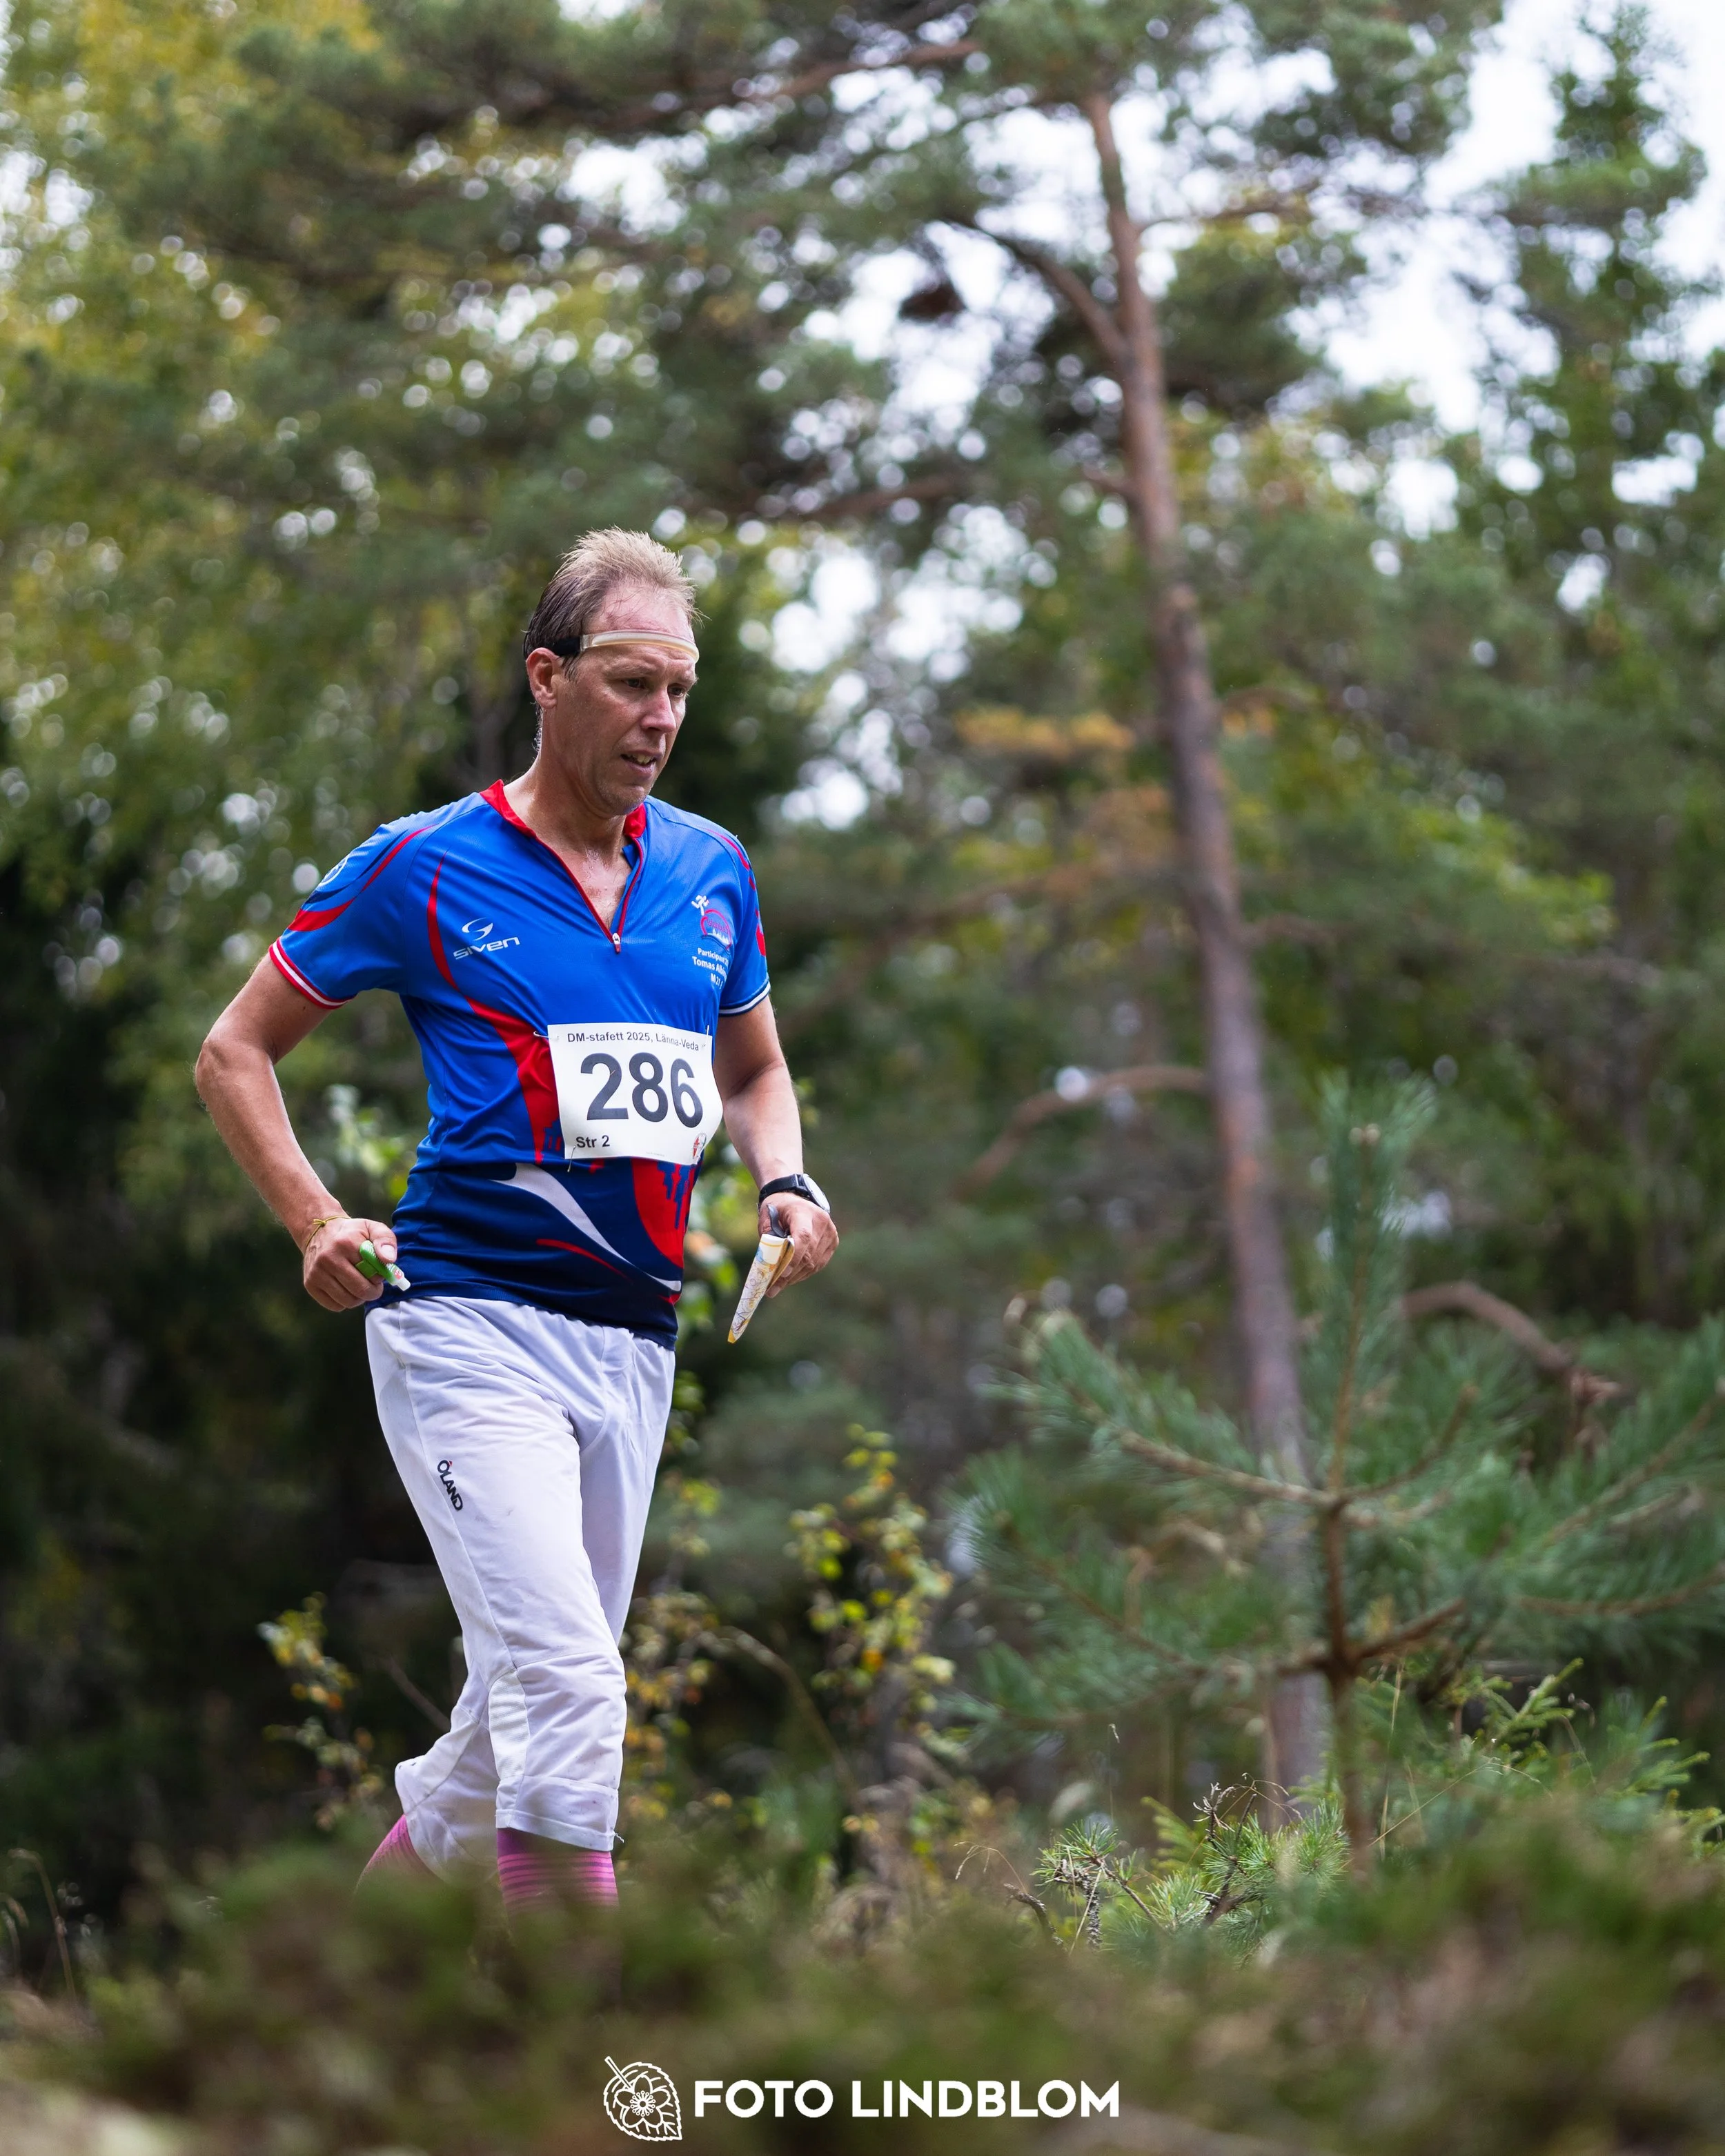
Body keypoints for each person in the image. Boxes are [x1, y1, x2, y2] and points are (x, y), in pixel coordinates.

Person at [196, 528, 838, 1911]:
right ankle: (580, 2077)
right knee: (568, 1684)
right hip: (466, 1325)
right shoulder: (421, 866)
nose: (659, 717)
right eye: (627, 681)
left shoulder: (712, 872)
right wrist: (313, 1219)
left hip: (634, 1343)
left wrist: (783, 1177)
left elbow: (753, 1068)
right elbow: (232, 1050)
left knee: (511, 1725)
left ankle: (342, 1997)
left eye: (679, 686)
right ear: (547, 678)